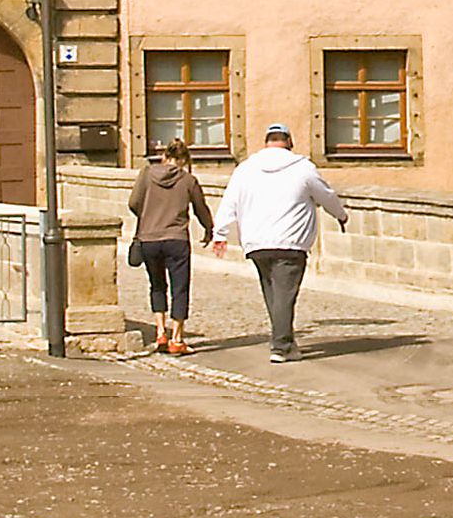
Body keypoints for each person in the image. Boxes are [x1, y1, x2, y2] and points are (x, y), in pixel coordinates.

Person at [211, 121, 349, 363]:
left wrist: (220, 233)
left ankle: (285, 339)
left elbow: (229, 202)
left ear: (266, 142)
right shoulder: (303, 169)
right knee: (285, 295)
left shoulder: (245, 169)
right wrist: (341, 214)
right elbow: (326, 195)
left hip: (256, 242)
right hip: (290, 241)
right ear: (289, 143)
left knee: (273, 293)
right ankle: (281, 346)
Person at [126, 136, 215, 354]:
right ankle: (177, 338)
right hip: (176, 239)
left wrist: (150, 215)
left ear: (164, 156)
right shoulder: (188, 180)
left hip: (149, 239)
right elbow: (200, 208)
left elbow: (133, 203)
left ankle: (160, 333)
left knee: (157, 286)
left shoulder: (146, 174)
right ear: (184, 160)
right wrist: (208, 228)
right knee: (179, 288)